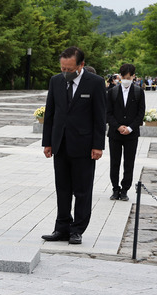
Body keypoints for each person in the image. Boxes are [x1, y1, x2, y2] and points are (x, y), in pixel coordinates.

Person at [41, 46, 106, 245]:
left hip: (84, 145)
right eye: (63, 69)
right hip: (60, 144)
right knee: (62, 188)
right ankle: (61, 228)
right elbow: (50, 113)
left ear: (81, 65)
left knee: (82, 190)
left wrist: (98, 145)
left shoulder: (95, 83)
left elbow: (99, 116)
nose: (66, 73)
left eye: (70, 69)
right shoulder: (56, 81)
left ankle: (77, 229)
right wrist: (48, 142)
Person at [106, 63, 145, 202]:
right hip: (115, 134)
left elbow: (141, 113)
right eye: (124, 77)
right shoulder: (112, 91)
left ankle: (125, 189)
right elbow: (108, 113)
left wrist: (130, 128)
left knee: (129, 162)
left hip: (131, 134)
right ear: (120, 76)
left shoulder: (138, 92)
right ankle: (115, 188)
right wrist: (118, 126)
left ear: (133, 77)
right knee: (114, 162)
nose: (126, 79)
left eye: (129, 77)